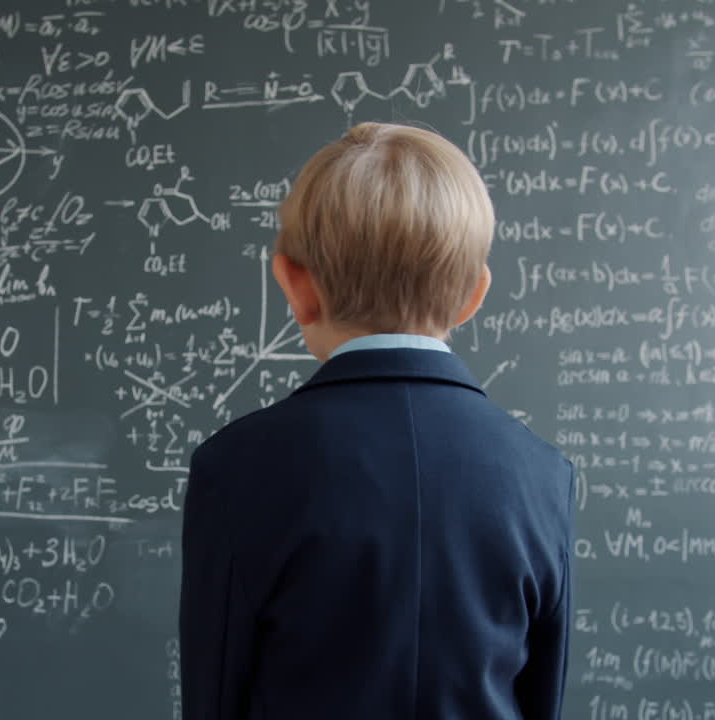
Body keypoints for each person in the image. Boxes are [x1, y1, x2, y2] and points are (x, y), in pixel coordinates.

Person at [179, 122, 575, 720]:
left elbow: (216, 694)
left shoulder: (235, 465)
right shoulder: (545, 473)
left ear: (295, 285)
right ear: (474, 295)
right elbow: (541, 695)